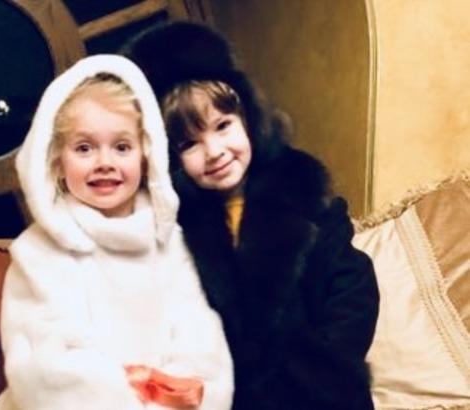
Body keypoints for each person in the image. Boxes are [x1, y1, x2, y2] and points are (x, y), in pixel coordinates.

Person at [122, 21, 380, 410]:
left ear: (250, 119)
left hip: (324, 390)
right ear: (169, 159)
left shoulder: (305, 195)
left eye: (223, 126)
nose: (214, 151)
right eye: (190, 144)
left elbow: (352, 287)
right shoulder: (176, 228)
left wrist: (328, 367)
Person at [0, 54, 233, 410]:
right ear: (57, 161)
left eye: (122, 147)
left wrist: (168, 401)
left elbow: (199, 340)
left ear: (147, 156)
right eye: (84, 148)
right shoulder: (38, 253)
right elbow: (42, 365)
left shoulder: (169, 242)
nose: (105, 162)